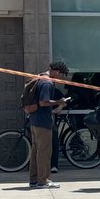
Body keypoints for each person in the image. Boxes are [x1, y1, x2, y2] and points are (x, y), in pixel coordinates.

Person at [26, 61, 71, 189]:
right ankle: (43, 180)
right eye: (62, 75)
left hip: (34, 119)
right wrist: (59, 101)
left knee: (36, 151)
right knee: (44, 152)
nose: (61, 78)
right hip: (43, 121)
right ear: (57, 72)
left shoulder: (39, 78)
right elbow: (43, 102)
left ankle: (34, 179)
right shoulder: (47, 83)